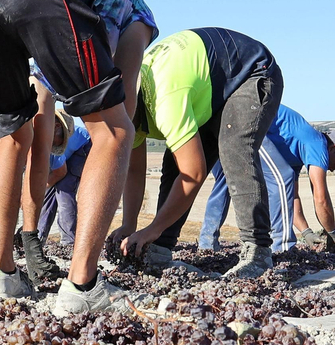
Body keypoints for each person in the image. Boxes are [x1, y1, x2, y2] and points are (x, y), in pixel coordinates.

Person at [0, 0, 156, 314]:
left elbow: (40, 113)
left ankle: (1, 274)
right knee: (114, 132)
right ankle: (83, 285)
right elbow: (122, 106)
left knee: (12, 137)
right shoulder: (140, 17)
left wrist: (31, 231)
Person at [111, 28, 283, 278]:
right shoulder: (127, 109)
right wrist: (129, 224)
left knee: (234, 148)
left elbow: (194, 173)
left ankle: (258, 251)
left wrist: (153, 227)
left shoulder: (165, 98)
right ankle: (158, 249)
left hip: (252, 71)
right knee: (174, 163)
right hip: (211, 89)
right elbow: (135, 171)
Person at [197, 106, 335, 252]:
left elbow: (291, 197)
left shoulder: (297, 149)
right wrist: (333, 232)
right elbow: (321, 198)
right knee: (282, 179)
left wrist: (306, 232)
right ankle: (282, 249)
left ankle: (207, 243)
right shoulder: (318, 144)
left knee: (227, 179)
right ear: (333, 148)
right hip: (249, 121)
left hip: (227, 118)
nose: (331, 169)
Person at [37, 111, 88, 246]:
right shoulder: (44, 137)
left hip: (85, 148)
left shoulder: (55, 146)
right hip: (67, 158)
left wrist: (40, 189)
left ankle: (69, 241)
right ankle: (37, 237)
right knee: (47, 193)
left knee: (63, 189)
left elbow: (60, 172)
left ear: (58, 127)